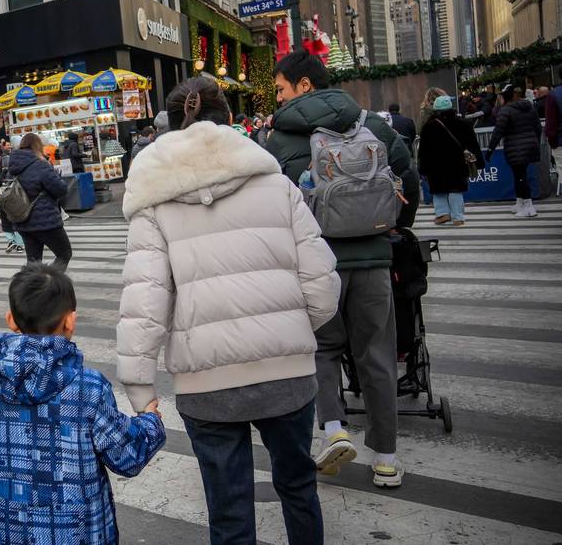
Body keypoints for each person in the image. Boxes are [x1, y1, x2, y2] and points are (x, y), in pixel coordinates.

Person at [120, 75, 339, 543]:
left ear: (171, 126)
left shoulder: (154, 201)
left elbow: (145, 300)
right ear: (230, 119)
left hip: (207, 384)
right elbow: (322, 287)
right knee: (299, 486)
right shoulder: (275, 185)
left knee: (228, 510)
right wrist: (290, 333)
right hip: (287, 374)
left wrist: (140, 385)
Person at [265, 50, 417, 488]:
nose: (277, 98)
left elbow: (276, 206)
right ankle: (385, 459)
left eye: (279, 88)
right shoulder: (372, 124)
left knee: (323, 349)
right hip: (373, 259)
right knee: (378, 355)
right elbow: (408, 181)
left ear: (304, 86)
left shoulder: (281, 140)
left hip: (317, 264)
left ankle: (334, 430)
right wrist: (389, 230)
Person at [0, 265, 165, 544]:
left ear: (11, 319)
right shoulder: (88, 388)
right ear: (70, 321)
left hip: (9, 532)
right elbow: (126, 455)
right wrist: (151, 419)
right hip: (79, 534)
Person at [4, 133, 72, 271]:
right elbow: (60, 190)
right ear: (37, 145)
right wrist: (57, 177)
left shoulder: (13, 165)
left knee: (34, 261)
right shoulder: (41, 164)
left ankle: (31, 287)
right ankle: (49, 283)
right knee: (64, 254)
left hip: (22, 219)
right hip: (46, 220)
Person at [418, 95, 485, 226]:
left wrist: (422, 167)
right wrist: (479, 161)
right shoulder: (463, 124)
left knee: (438, 189)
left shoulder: (429, 126)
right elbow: (473, 144)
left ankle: (442, 213)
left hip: (435, 164)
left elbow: (423, 150)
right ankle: (458, 216)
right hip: (457, 163)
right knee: (455, 189)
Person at [486, 85, 543, 217]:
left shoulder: (506, 110)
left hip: (514, 146)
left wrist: (490, 149)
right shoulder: (530, 107)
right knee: (521, 174)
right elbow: (538, 128)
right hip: (531, 144)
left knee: (519, 176)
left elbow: (497, 132)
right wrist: (535, 142)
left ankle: (528, 206)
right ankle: (520, 202)